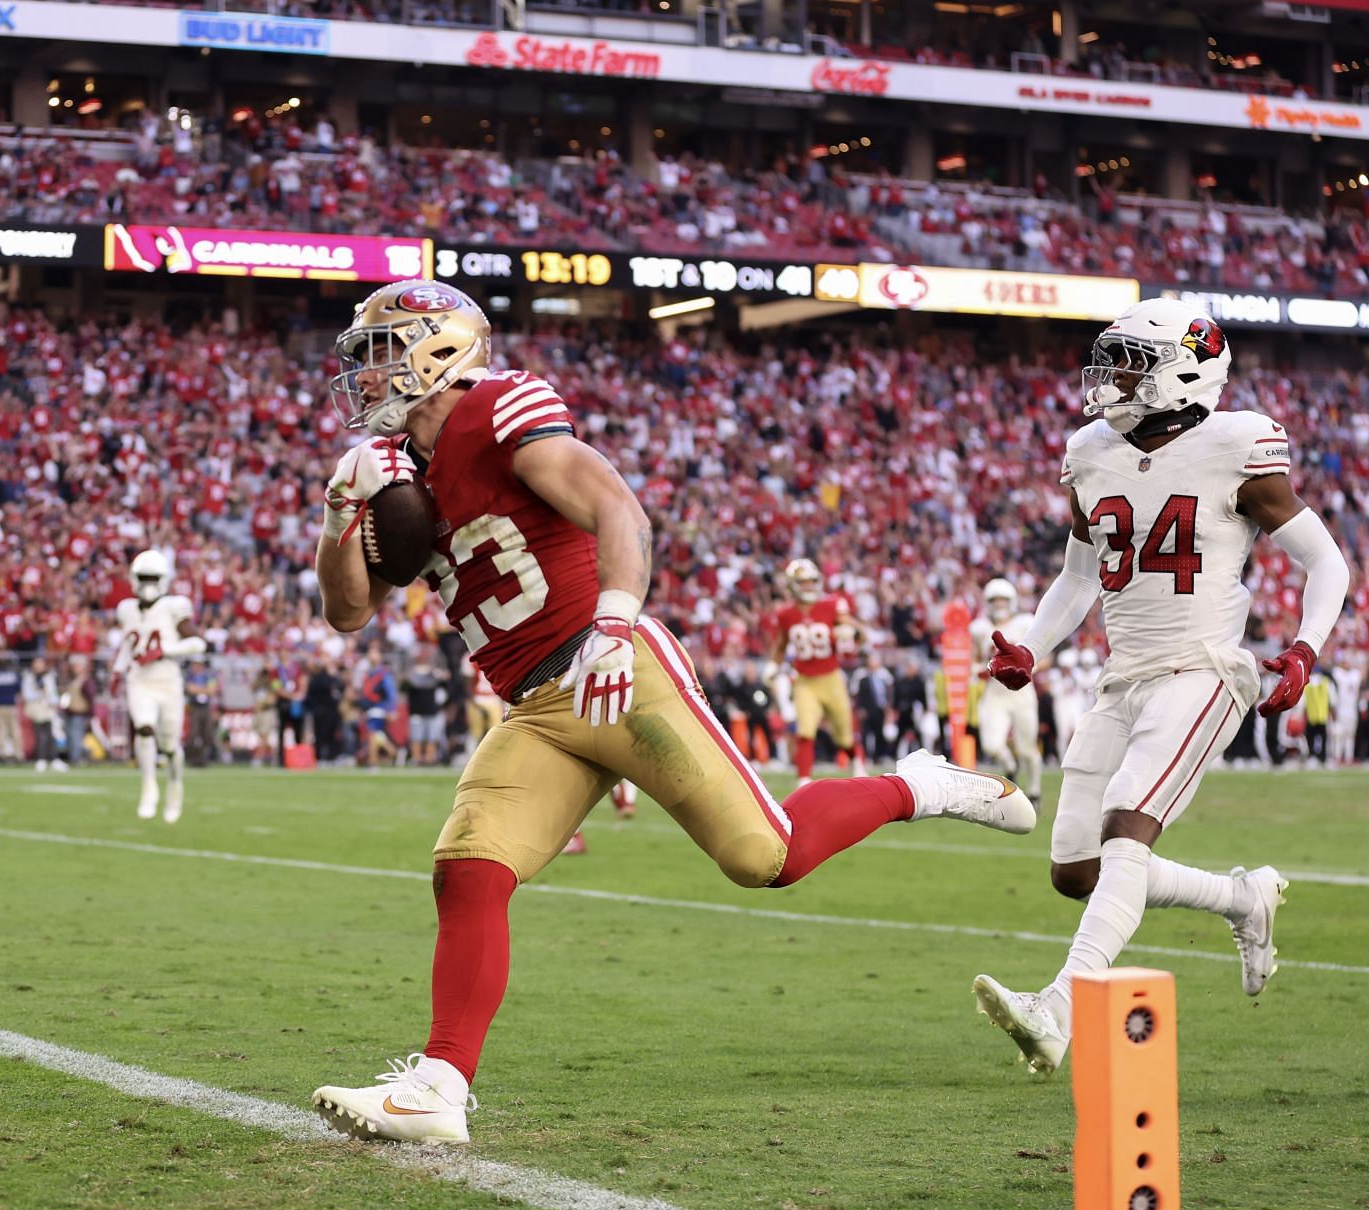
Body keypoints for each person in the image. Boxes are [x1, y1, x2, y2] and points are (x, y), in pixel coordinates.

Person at [306, 280, 1034, 1144]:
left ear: (438, 349)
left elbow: (618, 506)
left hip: (610, 666)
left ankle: (917, 785)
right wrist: (340, 515)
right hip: (533, 708)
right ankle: (438, 1086)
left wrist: (614, 621)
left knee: (766, 858)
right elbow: (348, 611)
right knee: (468, 869)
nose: (368, 374)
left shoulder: (499, 410)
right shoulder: (401, 477)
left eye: (384, 353)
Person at [973, 299, 1348, 1075]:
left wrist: (1305, 650)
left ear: (1184, 370)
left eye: (1129, 365)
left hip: (1204, 669)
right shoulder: (1091, 451)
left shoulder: (1235, 443)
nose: (1109, 380)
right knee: (1075, 868)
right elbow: (1078, 580)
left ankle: (1059, 1010)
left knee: (1126, 835)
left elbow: (1326, 561)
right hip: (1123, 679)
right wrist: (1031, 647)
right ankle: (1242, 899)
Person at [111, 549, 205, 822]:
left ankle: (175, 786)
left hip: (167, 681)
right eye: (144, 578)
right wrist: (118, 670)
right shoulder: (126, 609)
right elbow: (129, 645)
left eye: (153, 578)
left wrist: (165, 650)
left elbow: (198, 642)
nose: (149, 584)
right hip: (139, 679)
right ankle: (148, 787)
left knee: (169, 745)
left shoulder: (174, 607)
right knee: (143, 728)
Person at [766, 559, 859, 787]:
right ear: (793, 585)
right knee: (805, 728)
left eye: (811, 582)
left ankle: (857, 763)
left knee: (843, 732)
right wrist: (773, 665)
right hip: (805, 679)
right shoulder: (786, 614)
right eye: (803, 582)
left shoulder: (832, 604)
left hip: (831, 676)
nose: (808, 587)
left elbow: (850, 626)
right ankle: (804, 778)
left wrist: (847, 630)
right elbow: (781, 644)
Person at [970, 578, 1044, 806]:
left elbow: (1044, 656)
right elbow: (975, 660)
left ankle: (1034, 791)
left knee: (1027, 748)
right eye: (994, 600)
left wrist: (1026, 669)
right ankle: (1010, 767)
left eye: (1003, 599)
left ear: (1012, 601)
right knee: (991, 744)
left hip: (1022, 692)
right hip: (996, 693)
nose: (999, 604)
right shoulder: (979, 627)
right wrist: (980, 670)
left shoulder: (1025, 623)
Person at [405, 645, 446, 765]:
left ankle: (430, 759)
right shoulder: (410, 673)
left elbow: (444, 683)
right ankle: (417, 759)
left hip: (431, 709)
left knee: (432, 737)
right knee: (416, 737)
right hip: (416, 709)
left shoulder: (434, 672)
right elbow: (404, 687)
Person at [23, 655, 61, 771]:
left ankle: (53, 759)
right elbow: (27, 694)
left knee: (50, 734)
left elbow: (53, 692)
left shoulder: (48, 677)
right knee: (40, 735)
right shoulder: (29, 677)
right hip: (36, 707)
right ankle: (41, 759)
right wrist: (40, 694)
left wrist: (54, 700)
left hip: (47, 708)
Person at [0, 660, 23, 763]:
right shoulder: (13, 676)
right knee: (15, 731)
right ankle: (18, 754)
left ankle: (3, 754)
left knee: (1, 732)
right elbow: (18, 689)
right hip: (11, 706)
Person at [62, 654, 94, 769]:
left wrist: (90, 715)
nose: (75, 668)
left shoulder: (85, 681)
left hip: (79, 713)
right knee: (70, 737)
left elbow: (90, 699)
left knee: (76, 737)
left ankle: (76, 759)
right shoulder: (71, 679)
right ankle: (73, 757)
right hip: (69, 713)